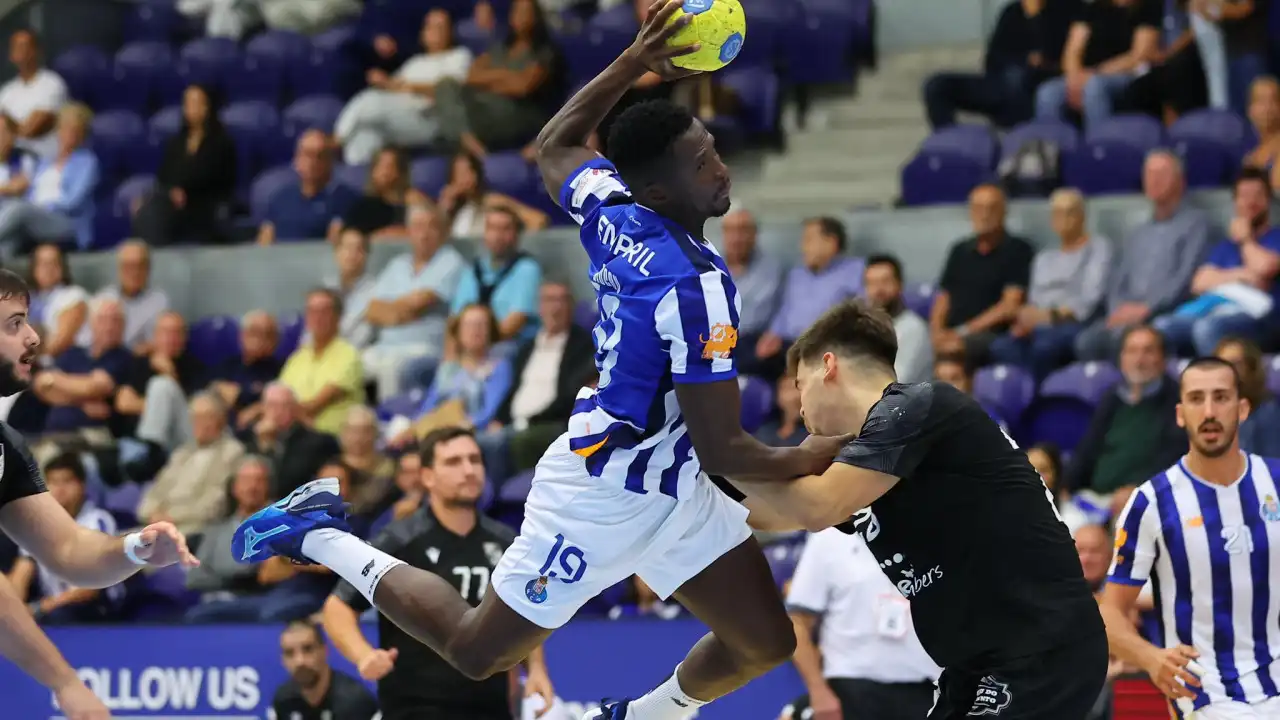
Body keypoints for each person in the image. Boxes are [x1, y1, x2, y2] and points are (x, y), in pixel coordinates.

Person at [232, 6, 845, 720]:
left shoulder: (614, 210)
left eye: (712, 148)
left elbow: (553, 145)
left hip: (669, 483)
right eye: (702, 162)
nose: (720, 167)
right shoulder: (694, 287)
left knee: (764, 643)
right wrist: (817, 455)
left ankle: (642, 716)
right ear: (658, 191)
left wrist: (636, 62)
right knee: (475, 651)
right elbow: (724, 448)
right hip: (603, 493)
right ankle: (320, 533)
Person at [730, 299, 1109, 720]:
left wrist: (734, 458)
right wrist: (694, 492)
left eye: (800, 385)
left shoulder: (917, 406)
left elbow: (815, 506)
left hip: (1041, 649)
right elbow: (780, 514)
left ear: (828, 366)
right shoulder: (873, 459)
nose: (799, 408)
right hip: (974, 664)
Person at [0, 267, 197, 719]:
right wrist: (65, 682)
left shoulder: (5, 447)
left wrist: (135, 548)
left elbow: (69, 550)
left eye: (29, 320)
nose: (34, 337)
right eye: (15, 324)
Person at [324, 427, 554, 719]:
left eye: (474, 459)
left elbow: (522, 613)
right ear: (428, 477)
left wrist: (536, 670)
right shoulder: (398, 540)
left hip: (489, 708)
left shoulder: (506, 542)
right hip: (415, 707)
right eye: (454, 462)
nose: (469, 470)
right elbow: (338, 606)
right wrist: (364, 655)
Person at [1102, 356, 1280, 719]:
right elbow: (1109, 612)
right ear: (1181, 414)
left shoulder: (1275, 482)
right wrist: (1151, 658)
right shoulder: (1151, 501)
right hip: (1206, 692)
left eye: (1221, 397)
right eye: (1197, 399)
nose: (1210, 411)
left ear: (1242, 408)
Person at [783, 527, 940, 720]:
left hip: (926, 687)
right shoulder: (828, 538)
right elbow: (798, 623)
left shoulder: (936, 531)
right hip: (850, 686)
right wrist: (818, 691)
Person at [270, 620, 380, 720]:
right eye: (289, 653)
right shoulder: (283, 700)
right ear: (282, 659)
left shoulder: (354, 702)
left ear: (324, 651)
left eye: (308, 649)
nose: (300, 661)